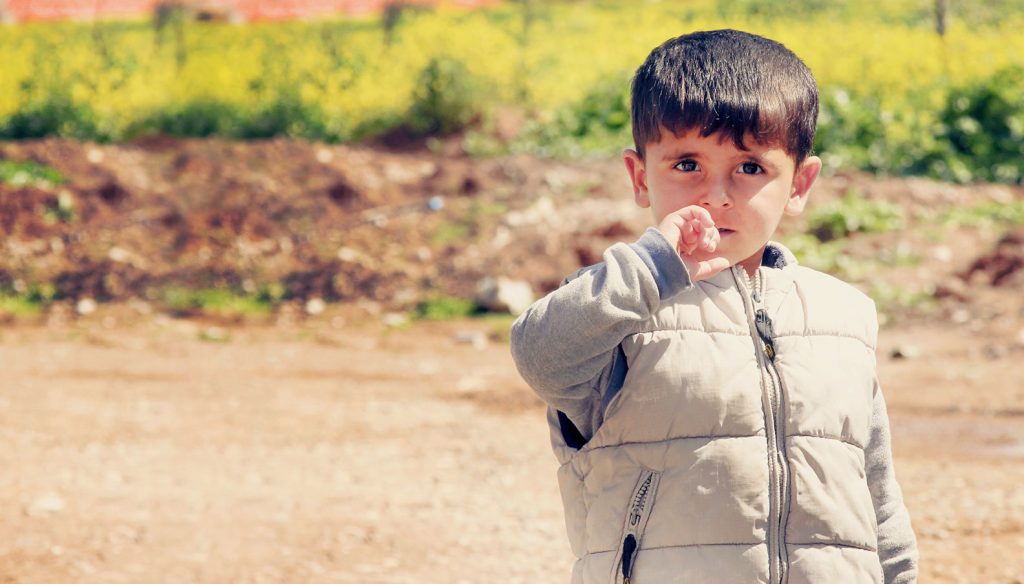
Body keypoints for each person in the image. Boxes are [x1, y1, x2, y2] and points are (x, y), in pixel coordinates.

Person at [510, 29, 918, 584]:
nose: (716, 196)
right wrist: (652, 269)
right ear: (640, 177)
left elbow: (877, 495)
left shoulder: (842, 317)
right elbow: (539, 354)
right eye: (686, 165)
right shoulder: (615, 308)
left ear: (799, 185)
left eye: (750, 168)